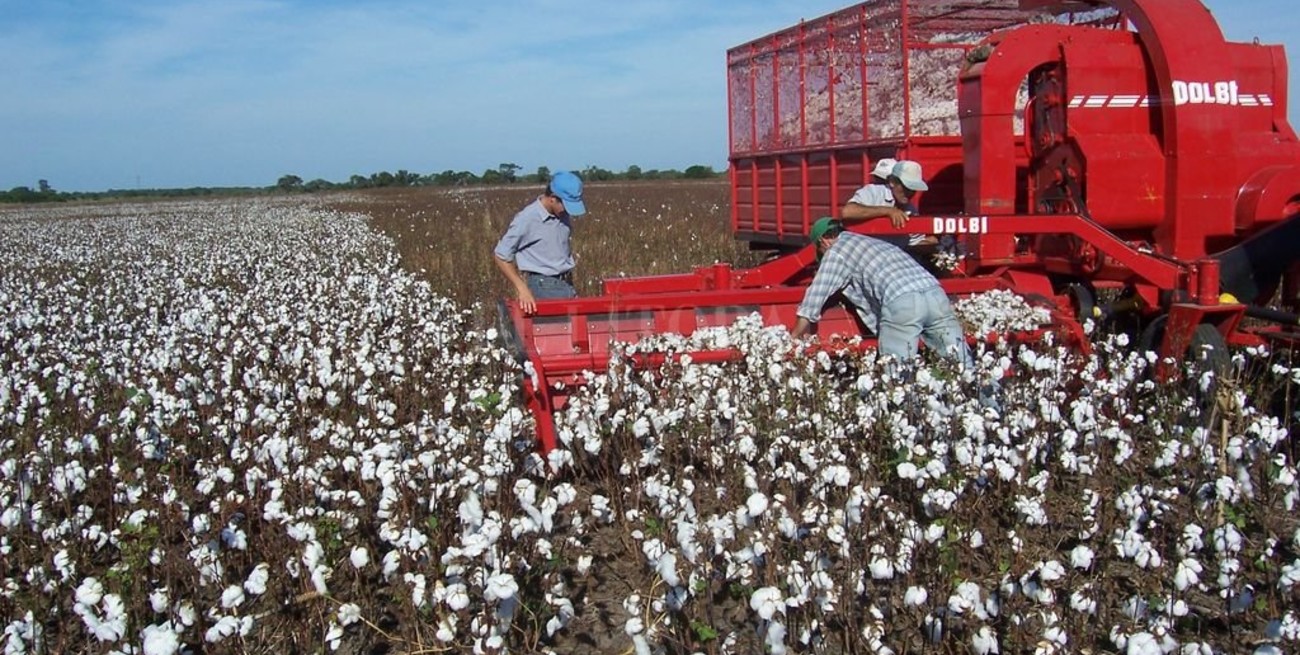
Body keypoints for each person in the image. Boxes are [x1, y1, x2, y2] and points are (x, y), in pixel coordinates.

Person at [792, 216, 971, 366]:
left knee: (897, 373)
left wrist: (794, 339)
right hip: (935, 293)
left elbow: (814, 297)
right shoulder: (872, 242)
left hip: (902, 300)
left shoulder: (836, 251)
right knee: (961, 363)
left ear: (822, 241)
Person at [493, 170, 587, 315]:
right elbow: (501, 255)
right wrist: (522, 289)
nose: (567, 212)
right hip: (544, 287)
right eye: (566, 206)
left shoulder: (561, 214)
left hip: (566, 283)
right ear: (553, 198)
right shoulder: (527, 218)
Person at [841, 159, 932, 248]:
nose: (910, 192)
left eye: (913, 189)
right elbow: (848, 212)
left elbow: (914, 243)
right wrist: (888, 211)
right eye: (906, 187)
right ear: (892, 182)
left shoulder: (911, 210)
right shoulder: (873, 192)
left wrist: (938, 245)